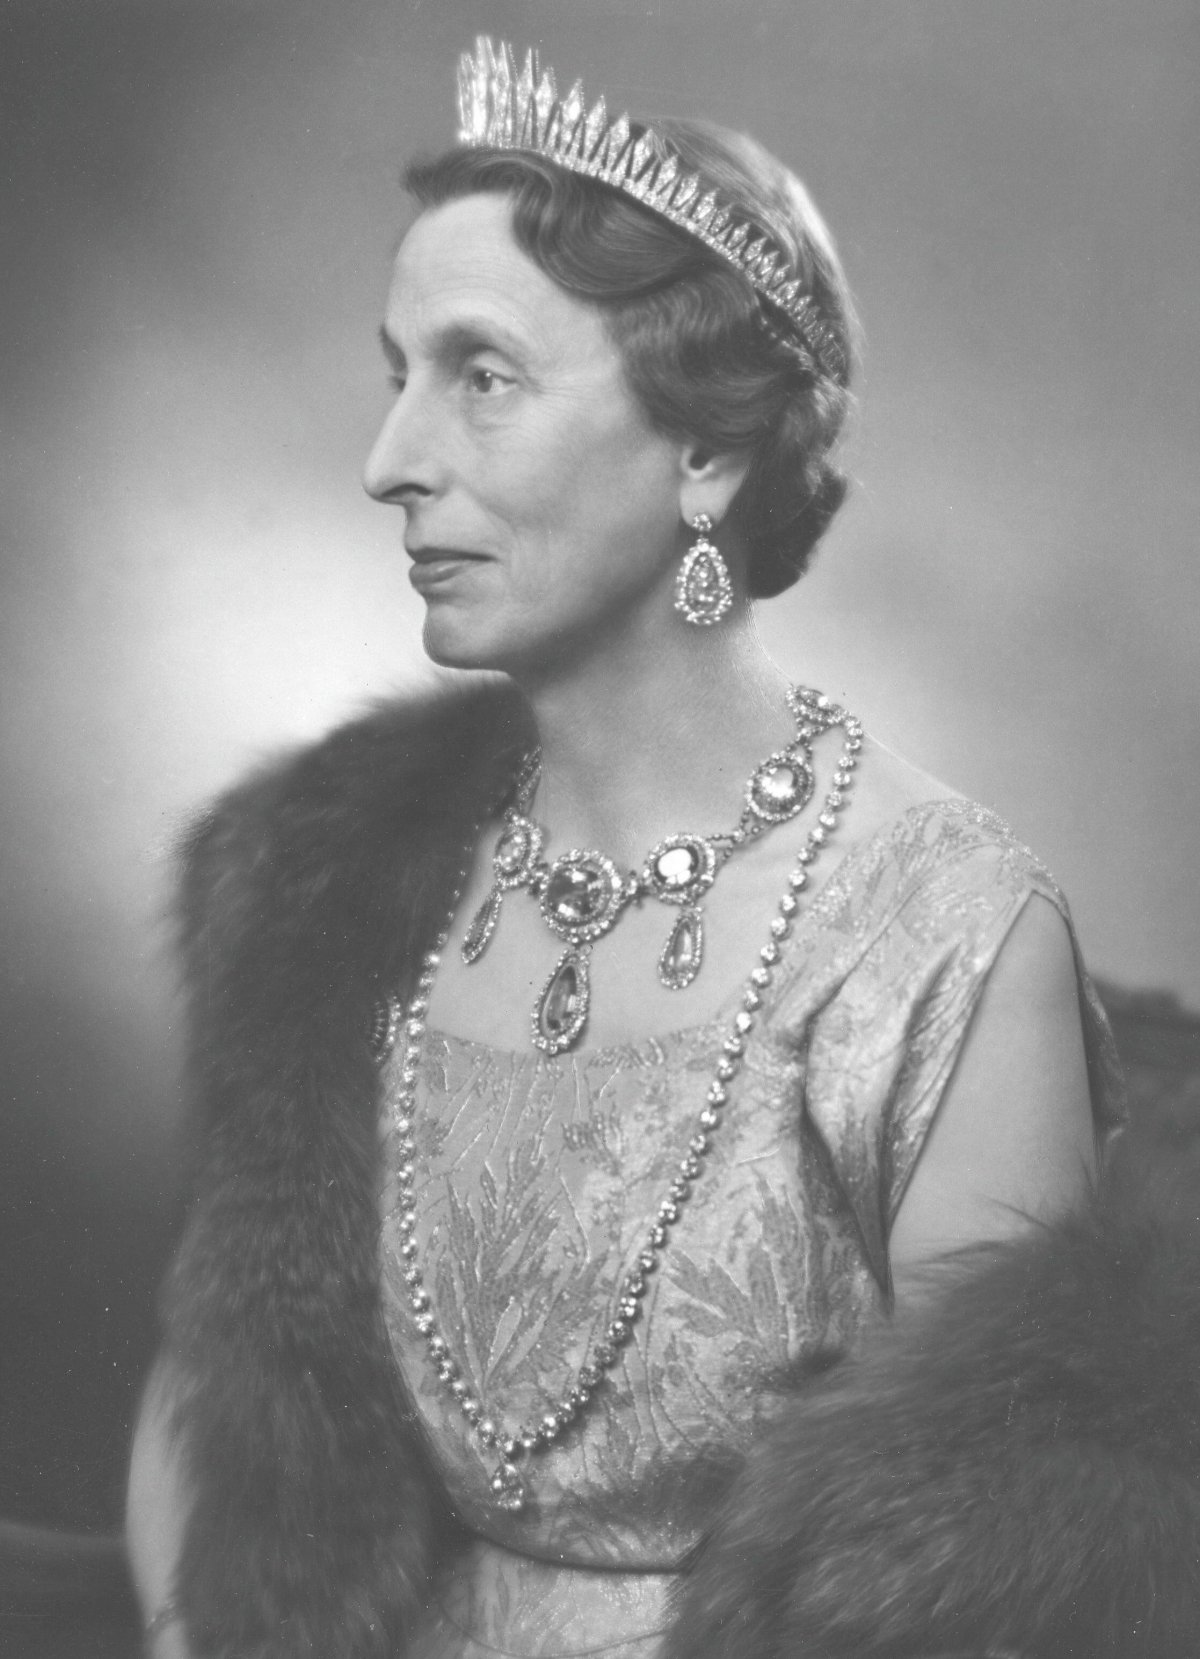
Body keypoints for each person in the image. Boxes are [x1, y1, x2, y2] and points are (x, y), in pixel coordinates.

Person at [126, 38, 1200, 1659]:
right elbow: (216, 1413)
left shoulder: (949, 944)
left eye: (481, 374)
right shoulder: (322, 870)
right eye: (394, 373)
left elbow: (995, 1596)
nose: (390, 461)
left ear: (706, 449)